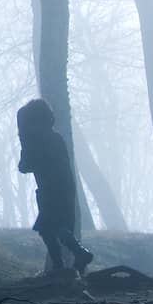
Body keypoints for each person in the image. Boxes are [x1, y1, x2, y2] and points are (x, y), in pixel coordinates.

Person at [16, 98, 95, 276]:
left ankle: (72, 258)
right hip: (62, 188)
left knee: (50, 228)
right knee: (52, 228)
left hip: (51, 190)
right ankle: (66, 262)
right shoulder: (54, 137)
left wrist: (24, 143)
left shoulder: (39, 141)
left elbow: (25, 166)